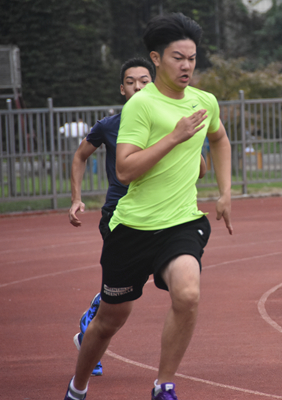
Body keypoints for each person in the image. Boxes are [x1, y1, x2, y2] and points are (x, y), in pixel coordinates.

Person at [64, 12, 232, 400]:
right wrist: (174, 138)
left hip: (182, 222)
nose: (187, 65)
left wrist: (225, 192)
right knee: (109, 320)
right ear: (156, 59)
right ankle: (78, 386)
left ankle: (163, 384)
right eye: (178, 57)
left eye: (192, 57)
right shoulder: (142, 105)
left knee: (188, 293)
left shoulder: (204, 101)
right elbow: (124, 171)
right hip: (133, 228)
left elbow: (220, 139)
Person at [68, 57, 155, 377]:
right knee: (127, 285)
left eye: (145, 81)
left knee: (139, 277)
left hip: (155, 211)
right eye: (131, 82)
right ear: (122, 89)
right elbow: (79, 156)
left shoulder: (164, 122)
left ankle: (90, 323)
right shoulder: (109, 126)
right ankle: (91, 328)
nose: (138, 87)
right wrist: (76, 198)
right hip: (118, 212)